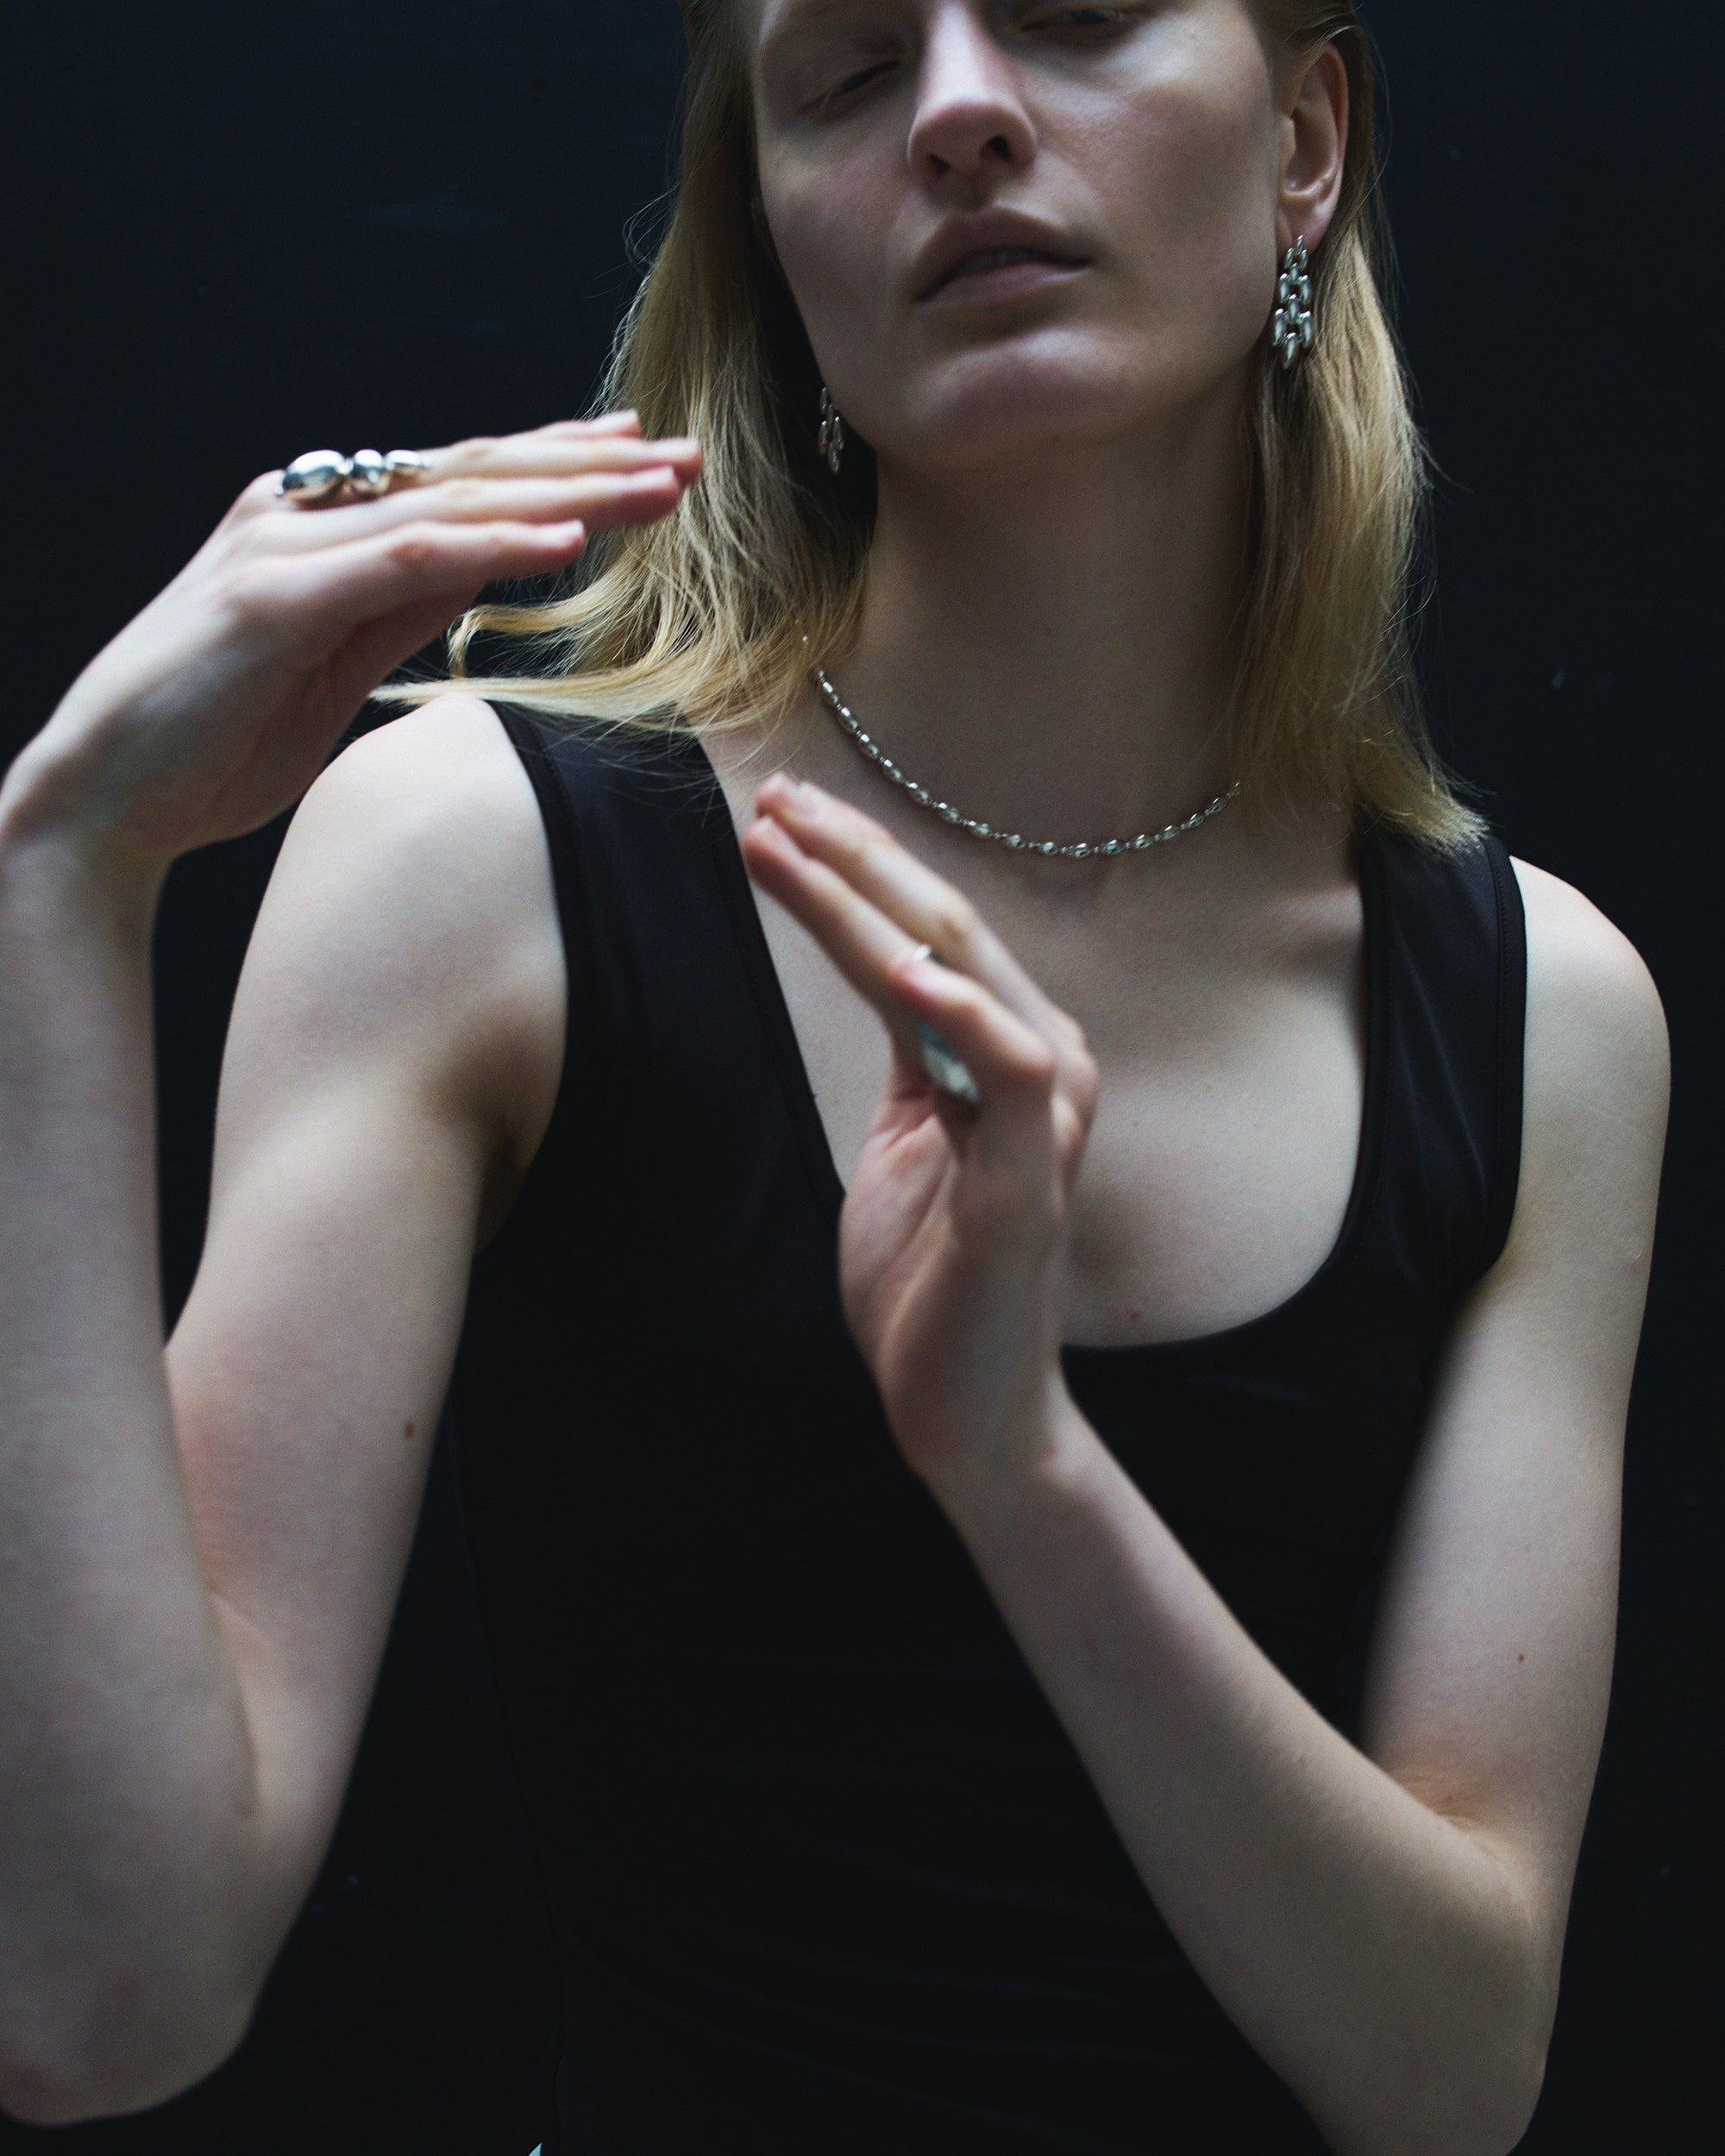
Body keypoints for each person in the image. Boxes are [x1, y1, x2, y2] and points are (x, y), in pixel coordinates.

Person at [0, 3, 1669, 2151]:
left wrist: (1019, 1467)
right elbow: (100, 1985)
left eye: (1070, 17)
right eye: (850, 73)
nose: (959, 112)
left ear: (1303, 141)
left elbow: (1452, 2074)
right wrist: (58, 881)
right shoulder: (472, 861)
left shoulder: (1546, 1012)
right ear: (777, 234)